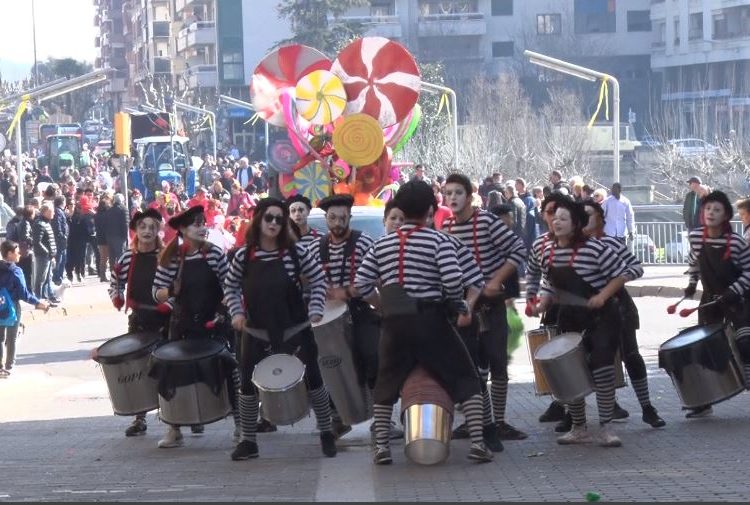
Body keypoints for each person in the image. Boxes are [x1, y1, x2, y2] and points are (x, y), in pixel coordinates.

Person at [352, 181, 492, 465]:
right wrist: (455, 302)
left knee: (386, 383)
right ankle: (478, 443)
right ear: (431, 209)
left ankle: (381, 447)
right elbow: (456, 279)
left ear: (400, 209)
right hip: (431, 321)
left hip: (394, 324)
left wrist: (382, 305)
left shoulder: (383, 243)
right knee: (466, 377)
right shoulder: (440, 241)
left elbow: (361, 283)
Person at [225, 197, 337, 461]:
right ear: (259, 220)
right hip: (256, 331)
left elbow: (319, 280)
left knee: (315, 380)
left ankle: (326, 433)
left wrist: (316, 308)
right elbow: (230, 287)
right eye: (269, 218)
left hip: (294, 328)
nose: (274, 223)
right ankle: (248, 441)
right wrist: (236, 313)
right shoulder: (243, 255)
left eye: (279, 218)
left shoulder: (296, 253)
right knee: (247, 386)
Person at [530, 199, 631, 447]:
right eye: (555, 218)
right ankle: (578, 427)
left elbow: (624, 272)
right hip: (570, 315)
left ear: (576, 224)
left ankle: (606, 426)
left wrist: (602, 296)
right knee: (569, 370)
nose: (557, 222)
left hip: (602, 317)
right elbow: (548, 284)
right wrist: (542, 302)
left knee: (602, 366)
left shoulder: (594, 248)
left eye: (563, 219)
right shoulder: (547, 251)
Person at [442, 173, 528, 445]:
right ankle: (478, 420)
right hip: (464, 309)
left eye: (458, 192)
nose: (452, 198)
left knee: (497, 364)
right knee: (472, 369)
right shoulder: (446, 228)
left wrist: (496, 280)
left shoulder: (487, 221)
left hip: (490, 306)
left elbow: (518, 250)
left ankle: (498, 421)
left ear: (469, 196)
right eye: (448, 193)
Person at [152, 205, 234, 449]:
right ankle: (173, 428)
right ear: (184, 230)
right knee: (172, 374)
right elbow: (156, 293)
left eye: (203, 222)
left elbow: (230, 286)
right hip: (183, 324)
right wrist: (170, 292)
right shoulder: (171, 258)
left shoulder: (215, 254)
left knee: (230, 372)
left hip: (213, 322)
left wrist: (222, 312)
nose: (202, 228)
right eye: (196, 224)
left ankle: (242, 426)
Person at [582, 200, 665, 428]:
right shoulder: (572, 249)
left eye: (589, 215)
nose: (584, 219)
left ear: (600, 219)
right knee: (593, 360)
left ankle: (647, 407)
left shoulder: (611, 244)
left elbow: (637, 267)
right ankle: (608, 406)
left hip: (619, 307)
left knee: (631, 356)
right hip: (587, 312)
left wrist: (617, 280)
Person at [308, 194, 384, 439]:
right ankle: (337, 417)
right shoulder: (314, 247)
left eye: (342, 218)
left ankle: (381, 419)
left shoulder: (364, 243)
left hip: (360, 311)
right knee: (328, 365)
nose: (338, 223)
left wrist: (348, 291)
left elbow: (375, 276)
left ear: (349, 218)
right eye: (333, 218)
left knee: (372, 357)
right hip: (327, 317)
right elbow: (306, 279)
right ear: (326, 219)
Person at [683, 190, 750, 418]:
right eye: (708, 208)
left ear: (726, 216)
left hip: (739, 299)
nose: (711, 212)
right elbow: (693, 261)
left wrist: (735, 290)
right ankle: (704, 401)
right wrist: (692, 283)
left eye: (717, 210)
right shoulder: (696, 237)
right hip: (711, 299)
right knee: (704, 348)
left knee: (745, 343)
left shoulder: (736, 242)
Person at [106, 209, 169, 436]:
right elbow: (115, 281)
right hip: (140, 318)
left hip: (165, 319)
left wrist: (169, 304)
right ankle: (139, 417)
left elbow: (178, 285)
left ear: (158, 231)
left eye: (152, 227)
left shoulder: (166, 256)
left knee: (169, 367)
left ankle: (177, 416)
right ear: (136, 231)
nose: (147, 231)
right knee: (139, 368)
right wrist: (117, 296)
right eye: (143, 227)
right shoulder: (126, 257)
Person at [0, 240, 50, 377]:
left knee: (0, 337)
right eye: (16, 252)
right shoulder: (16, 271)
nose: (19, 255)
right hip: (12, 307)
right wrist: (39, 303)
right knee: (12, 338)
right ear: (9, 254)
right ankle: (9, 366)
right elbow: (24, 294)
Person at [32, 203, 57, 303]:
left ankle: (46, 297)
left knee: (47, 278)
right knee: (41, 278)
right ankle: (38, 298)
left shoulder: (46, 223)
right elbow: (37, 241)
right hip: (43, 256)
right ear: (45, 212)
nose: (54, 213)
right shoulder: (39, 224)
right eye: (51, 211)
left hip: (48, 255)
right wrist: (47, 252)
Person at [104, 194, 129, 275]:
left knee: (112, 257)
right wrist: (126, 236)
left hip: (109, 236)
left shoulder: (109, 210)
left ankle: (113, 273)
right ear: (122, 200)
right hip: (120, 237)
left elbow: (106, 224)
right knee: (121, 256)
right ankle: (120, 274)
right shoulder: (124, 209)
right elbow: (126, 224)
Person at [51, 196, 69, 287]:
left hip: (62, 241)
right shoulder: (58, 212)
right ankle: (57, 279)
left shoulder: (61, 211)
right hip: (59, 241)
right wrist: (62, 236)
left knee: (63, 260)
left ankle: (59, 278)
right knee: (59, 260)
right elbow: (57, 226)